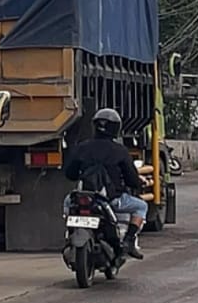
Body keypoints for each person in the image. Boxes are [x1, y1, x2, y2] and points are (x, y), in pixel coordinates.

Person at [63, 107, 148, 259]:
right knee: (142, 206)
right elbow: (132, 180)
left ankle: (70, 235)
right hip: (111, 200)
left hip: (84, 198)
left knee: (67, 203)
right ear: (116, 128)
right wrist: (138, 183)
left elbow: (70, 174)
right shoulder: (120, 151)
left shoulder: (81, 147)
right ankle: (129, 241)